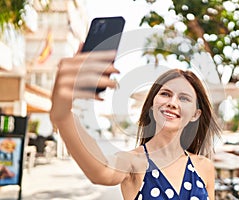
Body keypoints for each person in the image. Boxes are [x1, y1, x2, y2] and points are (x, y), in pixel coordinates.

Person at [50, 48, 221, 200]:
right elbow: (100, 171)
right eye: (166, 94)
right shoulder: (133, 162)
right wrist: (63, 114)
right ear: (153, 105)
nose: (173, 102)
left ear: (195, 114)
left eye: (184, 98)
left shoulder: (203, 167)